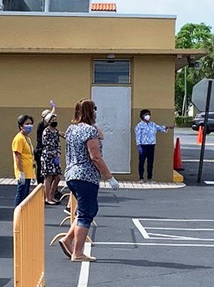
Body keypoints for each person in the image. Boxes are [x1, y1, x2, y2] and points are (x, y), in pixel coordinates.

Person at [58, 99, 119, 262]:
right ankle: (78, 252)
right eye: (95, 109)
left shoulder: (72, 129)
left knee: (83, 210)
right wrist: (110, 177)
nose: (97, 112)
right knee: (87, 212)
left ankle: (68, 239)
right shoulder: (89, 131)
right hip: (85, 176)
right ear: (90, 111)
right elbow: (95, 157)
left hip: (71, 175)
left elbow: (101, 135)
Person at [134, 109, 173, 183]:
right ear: (142, 116)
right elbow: (138, 136)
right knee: (142, 162)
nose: (148, 116)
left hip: (151, 145)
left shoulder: (153, 124)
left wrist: (167, 127)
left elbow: (160, 128)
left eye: (149, 114)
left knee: (150, 162)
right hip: (143, 145)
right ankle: (141, 177)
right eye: (146, 115)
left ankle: (150, 178)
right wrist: (139, 145)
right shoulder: (139, 126)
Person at [41, 111, 63, 205]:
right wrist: (55, 152)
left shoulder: (56, 131)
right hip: (48, 156)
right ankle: (48, 198)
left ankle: (52, 195)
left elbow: (58, 143)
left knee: (57, 177)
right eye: (52, 120)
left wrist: (58, 152)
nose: (54, 121)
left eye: (55, 120)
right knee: (48, 177)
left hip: (55, 156)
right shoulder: (46, 131)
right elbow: (47, 144)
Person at [12, 115, 35, 207]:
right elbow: (18, 156)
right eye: (27, 124)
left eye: (31, 124)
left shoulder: (27, 139)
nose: (29, 126)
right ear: (21, 126)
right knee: (21, 194)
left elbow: (30, 155)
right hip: (23, 172)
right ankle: (17, 215)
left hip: (28, 172)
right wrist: (21, 172)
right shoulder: (19, 138)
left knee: (25, 196)